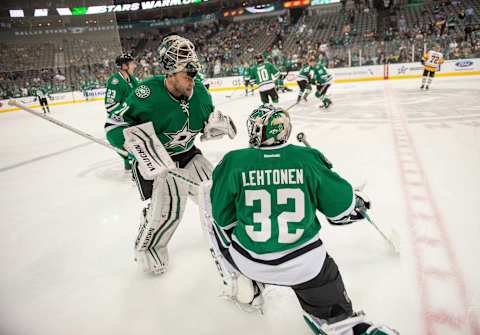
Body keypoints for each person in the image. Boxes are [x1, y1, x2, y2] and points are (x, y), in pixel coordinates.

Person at [199, 104, 398, 335]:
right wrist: (355, 201)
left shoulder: (233, 161)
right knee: (339, 320)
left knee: (210, 207)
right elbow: (340, 211)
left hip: (250, 261)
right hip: (306, 266)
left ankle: (246, 283)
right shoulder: (308, 159)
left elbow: (223, 219)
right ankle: (339, 324)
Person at [108, 35, 237, 275]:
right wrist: (135, 147)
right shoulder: (146, 93)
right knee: (169, 210)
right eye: (187, 75)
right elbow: (114, 126)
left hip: (189, 155)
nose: (193, 80)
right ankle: (150, 244)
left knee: (218, 194)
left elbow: (204, 122)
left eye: (194, 74)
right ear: (169, 72)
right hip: (157, 164)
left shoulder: (200, 93)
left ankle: (231, 229)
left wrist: (213, 126)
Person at [104, 53, 139, 170]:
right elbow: (110, 106)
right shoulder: (115, 81)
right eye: (132, 63)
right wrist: (131, 112)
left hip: (130, 125)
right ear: (124, 66)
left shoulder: (132, 80)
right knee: (136, 161)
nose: (135, 65)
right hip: (118, 128)